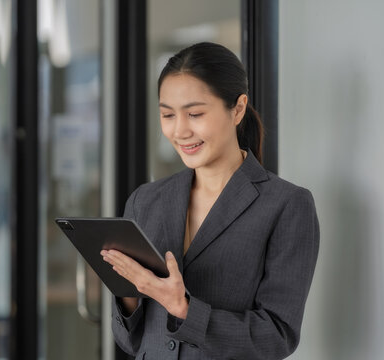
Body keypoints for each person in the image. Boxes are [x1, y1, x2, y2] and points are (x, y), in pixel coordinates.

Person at [100, 42, 319, 360]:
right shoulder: (145, 201)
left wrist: (184, 309)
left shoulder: (287, 205)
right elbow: (131, 342)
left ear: (238, 109)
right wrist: (130, 294)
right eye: (168, 115)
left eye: (195, 114)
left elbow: (277, 337)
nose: (180, 130)